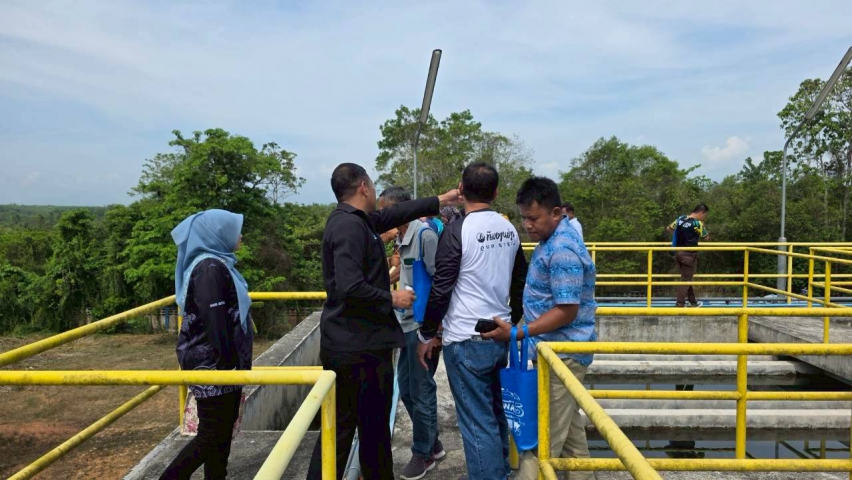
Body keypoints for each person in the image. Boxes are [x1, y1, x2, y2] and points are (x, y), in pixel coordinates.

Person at [305, 163, 460, 480]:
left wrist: (443, 199)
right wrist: (392, 298)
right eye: (373, 186)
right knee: (364, 430)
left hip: (355, 344)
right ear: (363, 186)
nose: (376, 193)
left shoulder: (354, 220)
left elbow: (396, 213)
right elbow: (348, 286)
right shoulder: (349, 227)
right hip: (358, 349)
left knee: (349, 429)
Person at [417, 162, 528, 480]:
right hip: (498, 336)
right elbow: (520, 279)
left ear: (461, 190)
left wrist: (427, 334)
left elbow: (441, 288)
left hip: (465, 340)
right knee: (495, 415)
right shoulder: (509, 229)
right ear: (496, 191)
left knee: (478, 425)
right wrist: (510, 321)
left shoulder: (458, 230)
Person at [484, 177, 597, 480]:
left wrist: (518, 333)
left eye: (533, 218)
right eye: (524, 218)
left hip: (563, 354)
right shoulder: (551, 240)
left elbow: (567, 310)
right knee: (572, 441)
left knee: (539, 442)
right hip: (552, 350)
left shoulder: (562, 250)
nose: (527, 225)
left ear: (556, 212)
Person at [161, 209, 253, 480]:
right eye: (235, 229)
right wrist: (228, 365)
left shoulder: (219, 264)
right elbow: (215, 321)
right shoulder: (209, 267)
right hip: (213, 364)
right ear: (218, 233)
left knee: (222, 433)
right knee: (212, 433)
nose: (240, 235)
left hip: (222, 363)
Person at [378, 186, 444, 480]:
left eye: (385, 211)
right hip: (406, 323)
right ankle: (433, 442)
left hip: (423, 327)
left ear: (400, 210)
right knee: (405, 388)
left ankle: (424, 453)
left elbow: (441, 283)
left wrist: (436, 331)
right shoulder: (402, 237)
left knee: (421, 389)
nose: (382, 217)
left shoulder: (425, 235)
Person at [667, 204, 710, 308]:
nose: (704, 217)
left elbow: (669, 228)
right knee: (686, 280)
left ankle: (693, 302)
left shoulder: (681, 219)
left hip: (678, 253)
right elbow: (706, 237)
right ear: (701, 213)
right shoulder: (697, 223)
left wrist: (680, 233)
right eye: (705, 215)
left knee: (687, 277)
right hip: (689, 255)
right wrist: (701, 227)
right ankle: (680, 303)